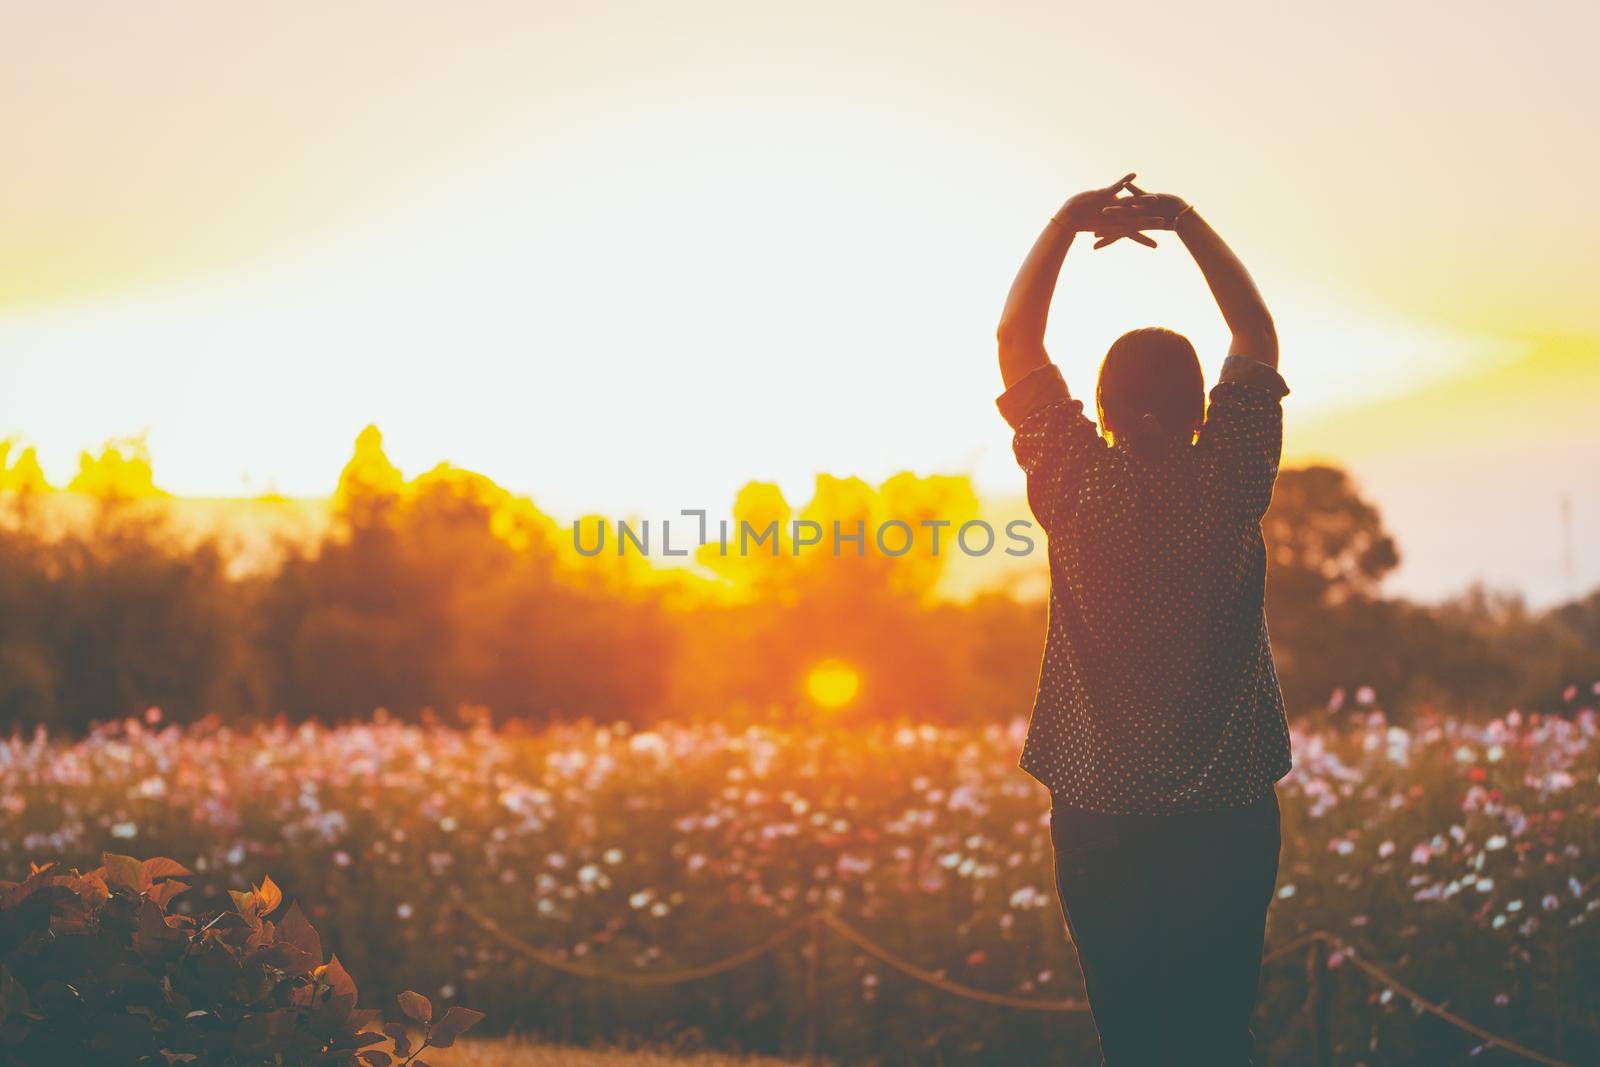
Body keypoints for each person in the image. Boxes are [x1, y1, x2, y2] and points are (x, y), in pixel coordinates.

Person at [993, 174, 1293, 1066]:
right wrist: (1186, 221)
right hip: (1231, 812)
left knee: (1130, 1035)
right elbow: (1257, 334)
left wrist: (1064, 222)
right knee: (1215, 1032)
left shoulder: (1073, 484)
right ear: (1204, 407)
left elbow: (1017, 338)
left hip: (1098, 813)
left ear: (1107, 410)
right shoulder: (1234, 474)